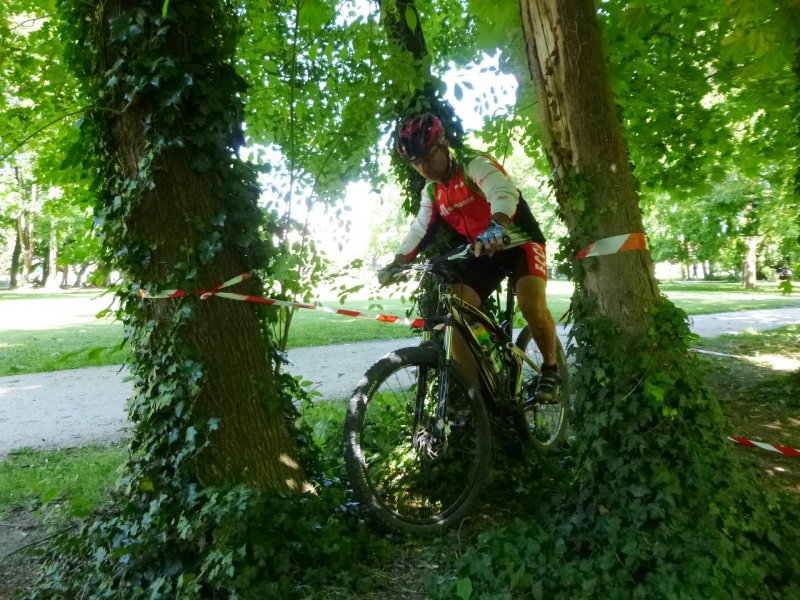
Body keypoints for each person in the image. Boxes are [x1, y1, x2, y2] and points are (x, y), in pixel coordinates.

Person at [378, 113, 560, 403]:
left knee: (531, 304)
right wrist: (398, 261)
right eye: (416, 163)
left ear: (443, 144)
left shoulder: (473, 163)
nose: (423, 167)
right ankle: (474, 395)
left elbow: (502, 192)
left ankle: (551, 370)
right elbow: (419, 228)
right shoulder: (433, 191)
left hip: (519, 241)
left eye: (427, 157)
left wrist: (495, 225)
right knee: (456, 309)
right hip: (483, 250)